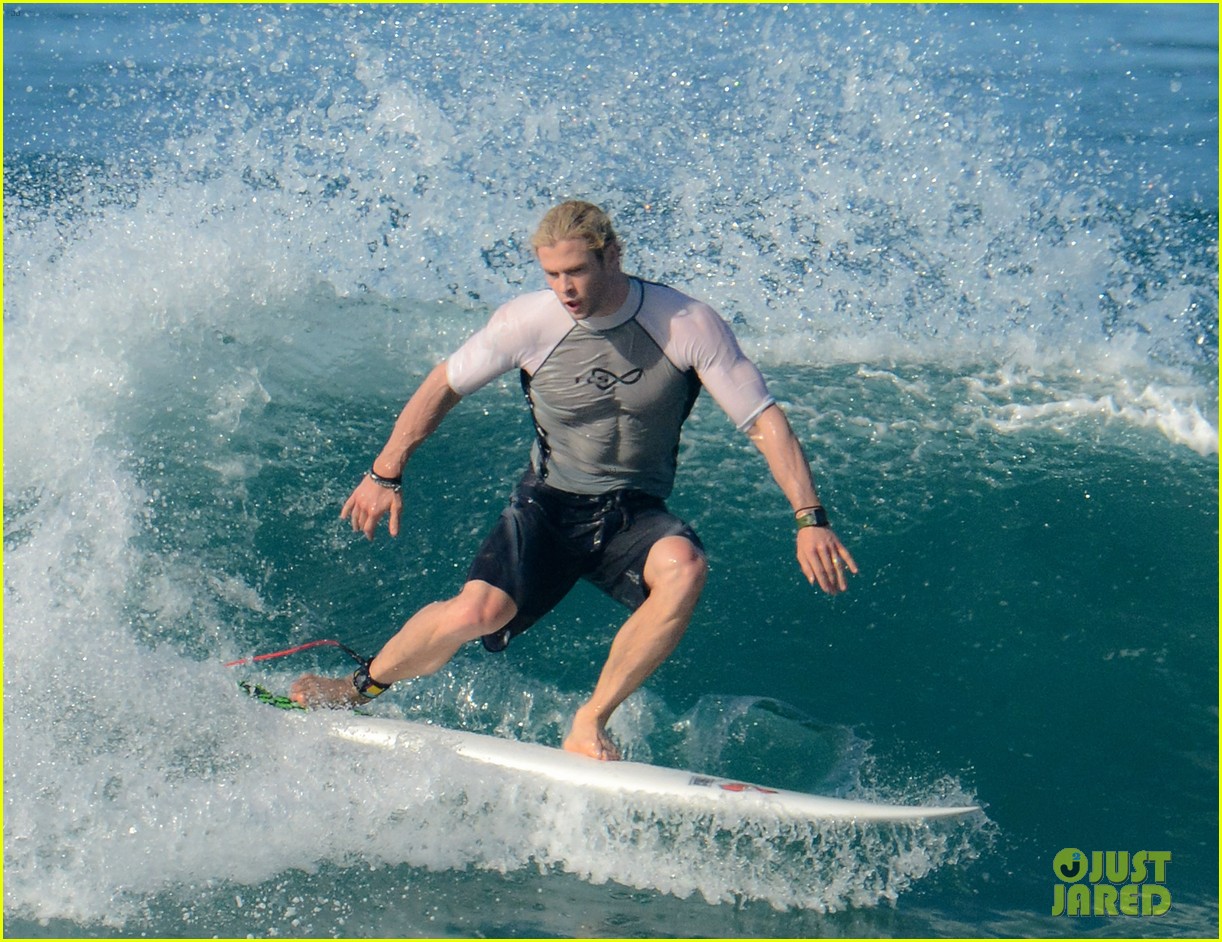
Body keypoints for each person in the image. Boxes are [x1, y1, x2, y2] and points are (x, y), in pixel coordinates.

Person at [290, 200, 857, 760]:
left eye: (577, 271)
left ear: (612, 255)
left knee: (684, 568)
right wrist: (385, 471)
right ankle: (355, 688)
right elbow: (445, 383)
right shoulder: (528, 322)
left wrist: (809, 518)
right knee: (474, 613)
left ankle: (590, 721)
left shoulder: (685, 323)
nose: (564, 288)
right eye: (552, 274)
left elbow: (762, 419)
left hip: (634, 509)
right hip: (549, 503)